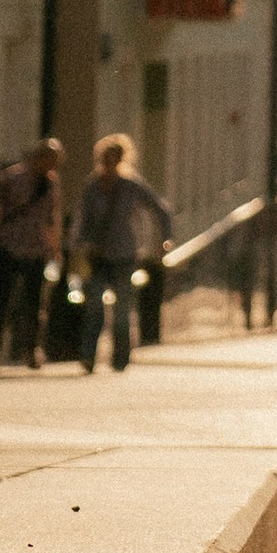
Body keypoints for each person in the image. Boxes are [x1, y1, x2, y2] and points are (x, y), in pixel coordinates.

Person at [70, 133, 172, 380]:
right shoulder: (93, 187)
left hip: (124, 253)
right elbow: (83, 218)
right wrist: (78, 244)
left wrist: (164, 238)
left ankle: (121, 357)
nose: (108, 164)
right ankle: (88, 355)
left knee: (122, 309)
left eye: (113, 159)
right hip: (97, 254)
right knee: (94, 306)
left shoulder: (131, 186)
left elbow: (159, 208)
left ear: (121, 160)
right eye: (104, 159)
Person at [0, 140, 62, 371]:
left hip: (37, 250)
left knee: (35, 304)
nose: (53, 165)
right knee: (2, 303)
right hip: (9, 247)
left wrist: (55, 248)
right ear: (39, 157)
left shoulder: (51, 182)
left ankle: (32, 350)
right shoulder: (13, 177)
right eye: (50, 160)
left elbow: (52, 217)